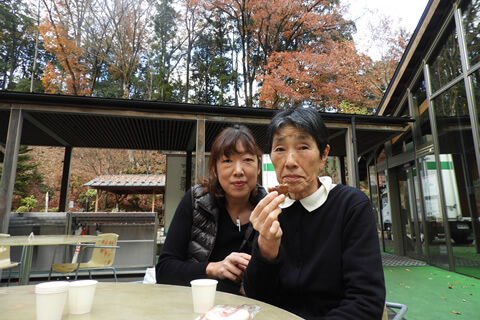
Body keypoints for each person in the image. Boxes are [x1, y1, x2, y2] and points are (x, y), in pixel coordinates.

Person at [243, 108, 386, 319]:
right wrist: (266, 248)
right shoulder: (271, 210)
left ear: (323, 155)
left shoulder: (351, 206)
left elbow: (366, 301)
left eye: (303, 147)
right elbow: (257, 297)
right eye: (280, 148)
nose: (290, 161)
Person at [156, 125, 267, 295]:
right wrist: (213, 268)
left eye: (247, 160)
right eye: (227, 161)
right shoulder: (195, 202)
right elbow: (164, 270)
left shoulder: (269, 210)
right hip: (197, 305)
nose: (238, 171)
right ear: (214, 169)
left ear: (258, 167)